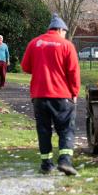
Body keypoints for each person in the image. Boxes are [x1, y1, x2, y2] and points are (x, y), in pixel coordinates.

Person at [21, 14, 80, 176]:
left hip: (39, 95)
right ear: (61, 30)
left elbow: (25, 67)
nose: (65, 35)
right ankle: (65, 161)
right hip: (62, 96)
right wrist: (75, 92)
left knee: (44, 130)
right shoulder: (67, 45)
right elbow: (73, 72)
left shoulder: (35, 43)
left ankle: (46, 165)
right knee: (66, 129)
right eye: (65, 32)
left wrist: (41, 67)